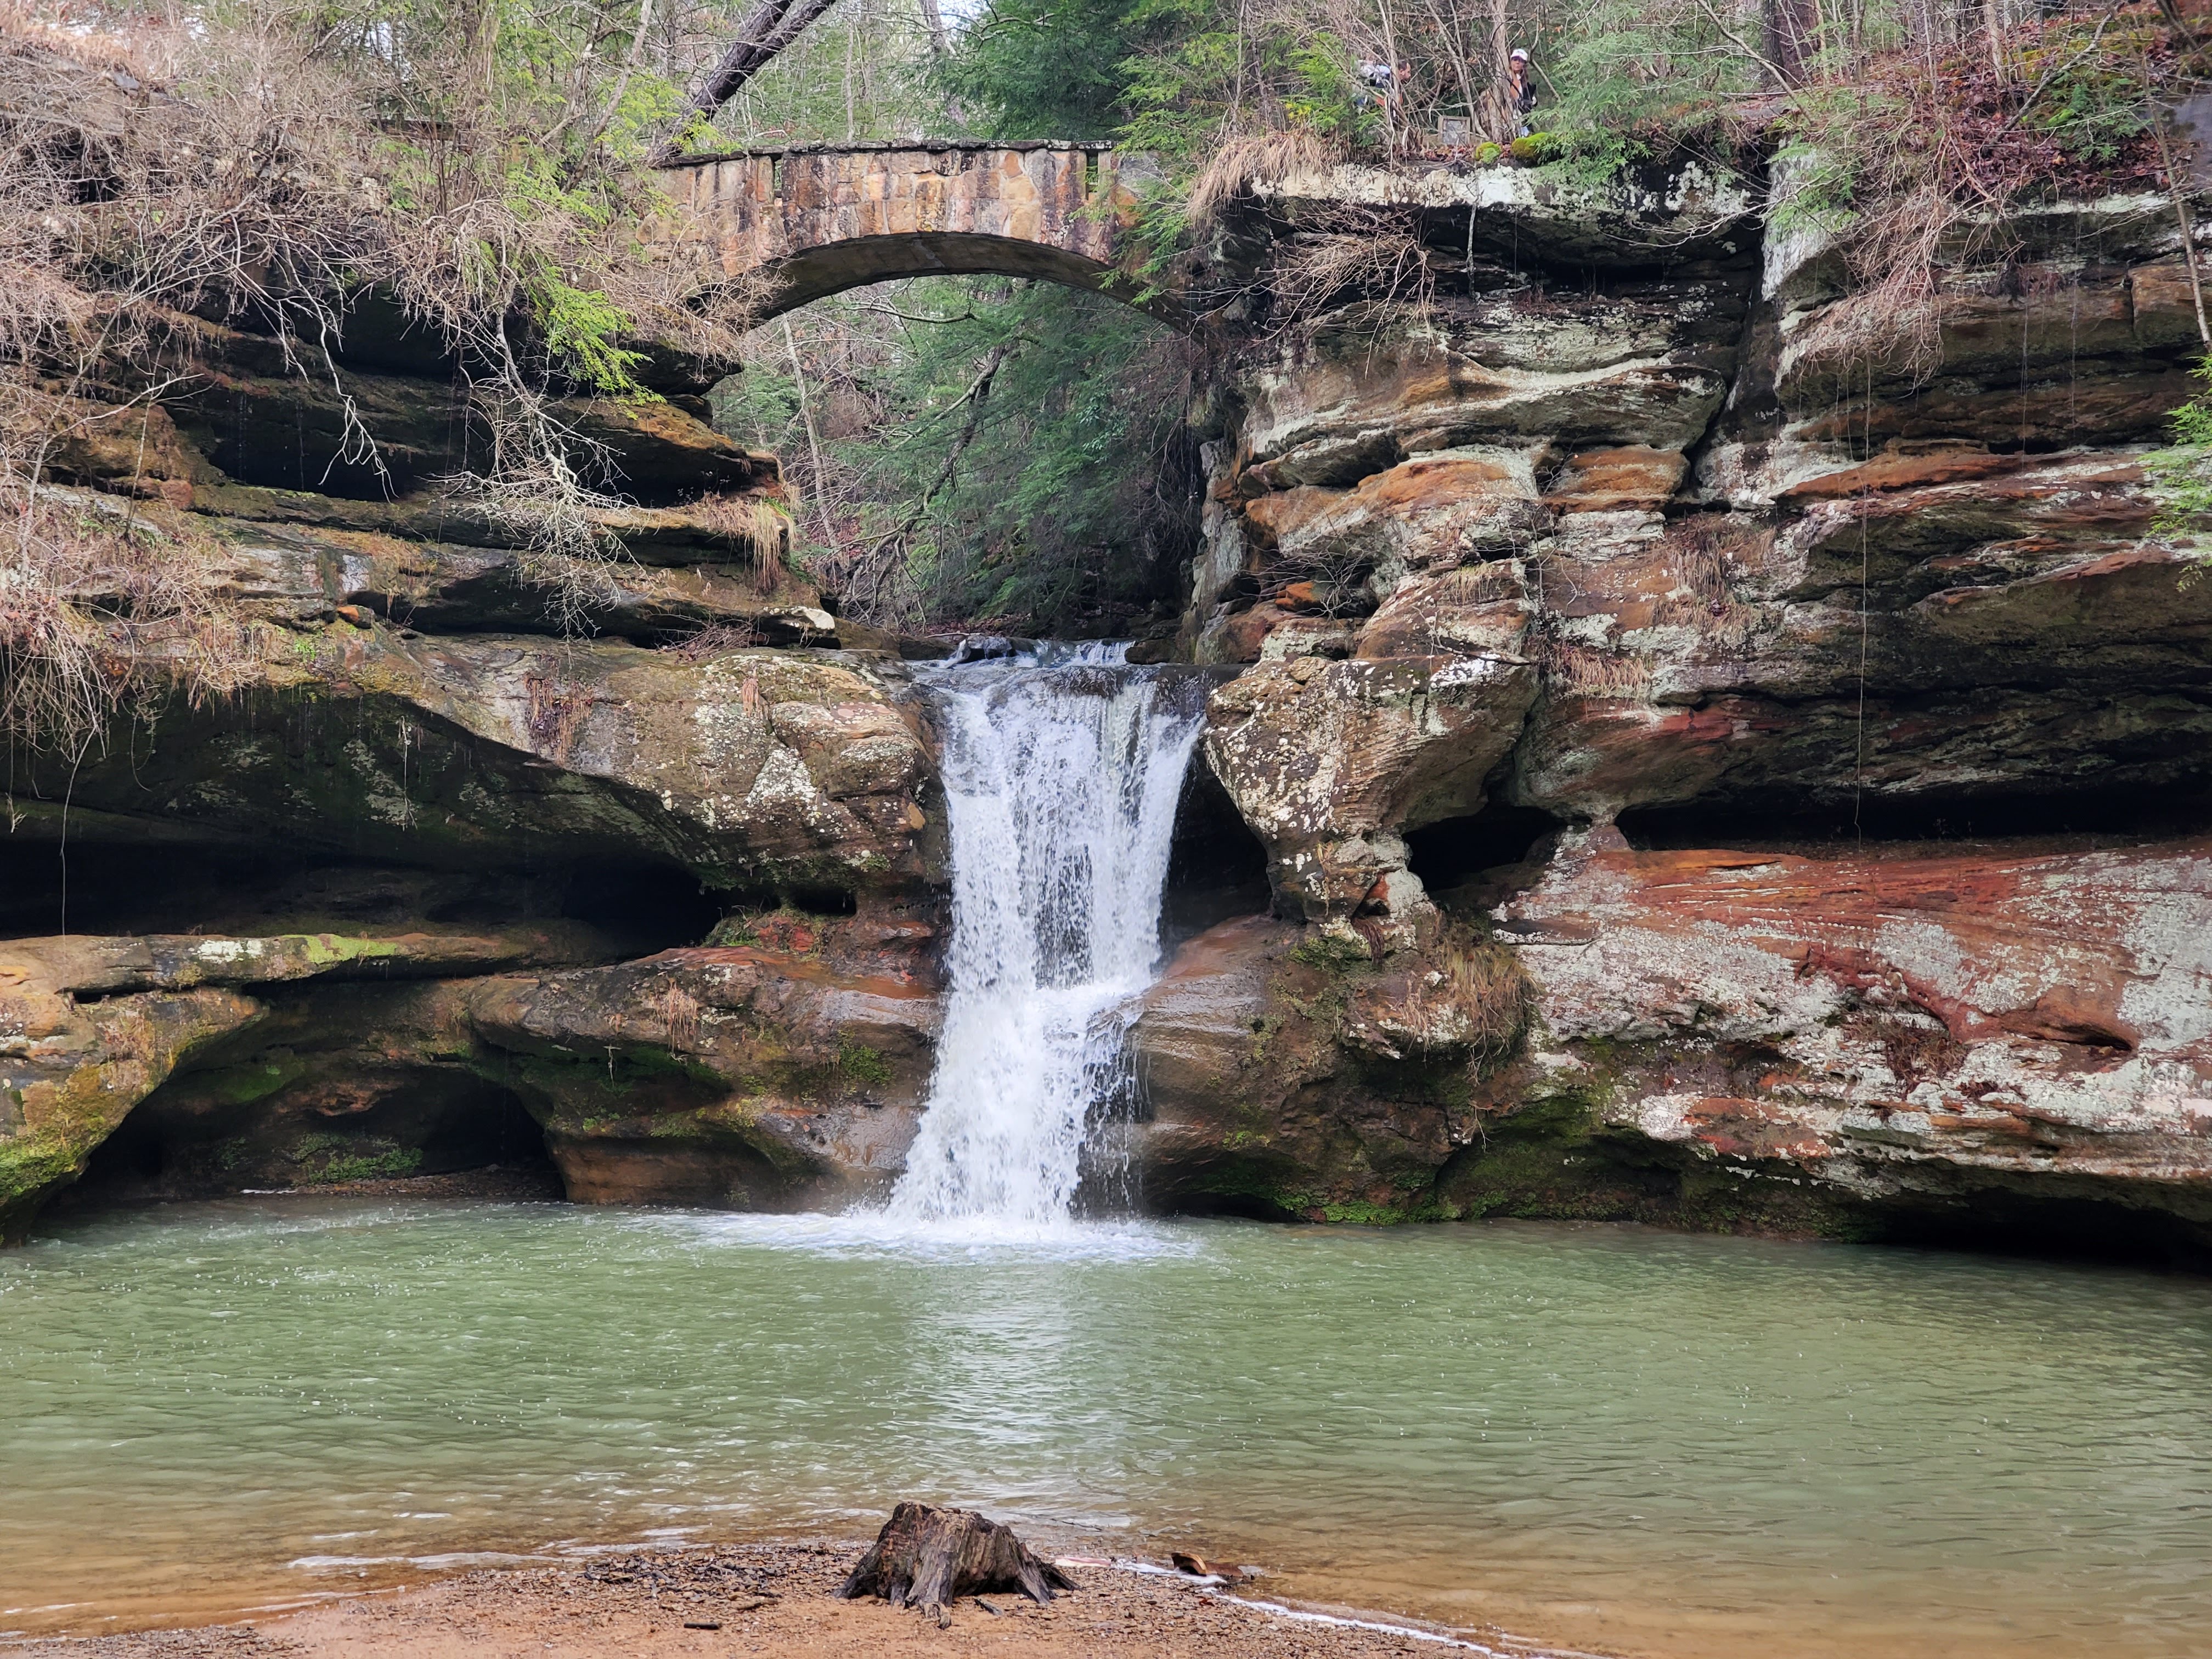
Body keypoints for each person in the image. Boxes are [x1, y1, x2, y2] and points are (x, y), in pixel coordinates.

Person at [1508, 48, 1537, 136]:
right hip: (1508, 115)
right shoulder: (1505, 77)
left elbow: (1531, 98)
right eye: (1515, 60)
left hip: (1522, 117)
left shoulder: (1526, 82)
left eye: (1521, 61)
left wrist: (1533, 100)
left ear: (1524, 64)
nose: (1517, 63)